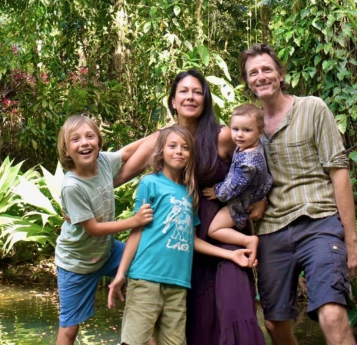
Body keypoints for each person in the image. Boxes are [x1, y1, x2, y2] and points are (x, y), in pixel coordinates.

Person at [115, 69, 266, 344]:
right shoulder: (165, 139)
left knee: (236, 308)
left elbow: (258, 159)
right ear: (173, 100)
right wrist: (79, 189)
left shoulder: (223, 135)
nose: (190, 97)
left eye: (197, 91)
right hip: (185, 242)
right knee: (197, 322)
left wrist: (261, 197)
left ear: (205, 99)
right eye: (184, 91)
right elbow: (122, 167)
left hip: (226, 231)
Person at [239, 43, 357, 345]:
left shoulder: (312, 107)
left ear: (280, 74)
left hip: (318, 223)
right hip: (271, 231)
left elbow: (338, 171)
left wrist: (352, 240)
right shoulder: (247, 127)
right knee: (275, 324)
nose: (261, 76)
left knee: (332, 314)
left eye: (267, 69)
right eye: (253, 73)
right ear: (247, 82)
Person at [55, 115, 154, 345]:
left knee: (146, 263)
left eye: (90, 136)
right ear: (67, 150)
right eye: (76, 139)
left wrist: (160, 136)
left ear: (99, 142)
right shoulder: (72, 186)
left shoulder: (103, 163)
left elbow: (128, 152)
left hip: (107, 252)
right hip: (76, 264)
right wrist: (134, 220)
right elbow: (94, 229)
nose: (85, 142)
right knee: (69, 329)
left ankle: (143, 334)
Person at [203, 104, 273, 264]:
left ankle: (248, 240)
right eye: (235, 129)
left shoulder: (248, 164)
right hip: (253, 189)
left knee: (214, 229)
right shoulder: (250, 145)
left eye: (247, 130)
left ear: (260, 133)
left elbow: (233, 187)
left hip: (243, 200)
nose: (239, 135)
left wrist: (217, 191)